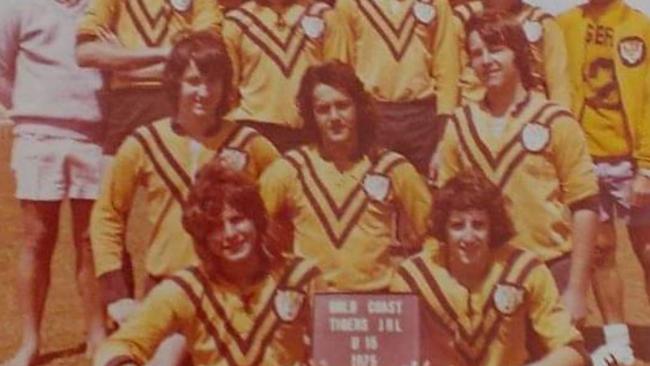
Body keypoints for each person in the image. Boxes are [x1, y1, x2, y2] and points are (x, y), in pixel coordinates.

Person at [90, 32, 279, 336]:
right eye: (193, 81)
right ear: (175, 82)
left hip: (232, 290)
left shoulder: (249, 143)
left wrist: (278, 270)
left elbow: (289, 206)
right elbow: (107, 215)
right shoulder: (144, 141)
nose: (204, 92)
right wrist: (116, 292)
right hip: (165, 285)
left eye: (213, 81)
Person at [434, 12, 599, 325]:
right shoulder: (460, 124)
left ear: (520, 53)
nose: (486, 61)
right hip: (483, 271)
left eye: (496, 49)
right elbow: (445, 209)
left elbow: (585, 205)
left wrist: (577, 289)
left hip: (549, 266)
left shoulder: (556, 121)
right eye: (477, 53)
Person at [93, 160, 320, 366]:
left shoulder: (300, 277)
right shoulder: (187, 289)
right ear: (203, 238)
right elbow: (116, 346)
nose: (229, 234)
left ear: (257, 220)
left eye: (237, 220)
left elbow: (338, 343)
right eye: (215, 227)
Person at [260, 61, 432, 291]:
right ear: (311, 115)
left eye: (342, 105)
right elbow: (254, 227)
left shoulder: (392, 167)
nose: (334, 117)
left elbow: (433, 234)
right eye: (323, 109)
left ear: (359, 108)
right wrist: (283, 273)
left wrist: (409, 279)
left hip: (376, 303)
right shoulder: (290, 169)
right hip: (313, 306)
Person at [391, 170, 589, 366]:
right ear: (443, 229)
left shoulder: (524, 269)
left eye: (478, 225)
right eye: (457, 226)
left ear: (493, 227)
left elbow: (572, 351)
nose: (468, 237)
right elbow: (393, 353)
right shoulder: (413, 278)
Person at [0, 0, 106, 364]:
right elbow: (2, 71)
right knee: (37, 239)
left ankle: (96, 335)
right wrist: (36, 108)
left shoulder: (104, 6)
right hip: (37, 137)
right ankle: (30, 342)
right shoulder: (15, 6)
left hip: (95, 137)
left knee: (92, 241)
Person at [557, 1, 650, 364]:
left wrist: (646, 165)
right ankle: (618, 340)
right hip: (585, 158)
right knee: (600, 248)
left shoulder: (638, 25)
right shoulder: (564, 24)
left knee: (646, 248)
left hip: (631, 159)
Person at [75, 0, 222, 155]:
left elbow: (204, 61)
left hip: (179, 103)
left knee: (179, 174)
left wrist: (127, 70)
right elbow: (85, 53)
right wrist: (168, 53)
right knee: (117, 175)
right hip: (127, 108)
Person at [334, 0, 459, 173]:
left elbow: (447, 69)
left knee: (426, 191)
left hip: (423, 117)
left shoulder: (436, 3)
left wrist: (443, 135)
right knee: (374, 188)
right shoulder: (349, 5)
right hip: (373, 114)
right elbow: (340, 70)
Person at [222, 0, 347, 152]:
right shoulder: (236, 22)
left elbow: (340, 82)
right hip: (254, 127)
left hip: (312, 130)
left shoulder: (325, 16)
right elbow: (229, 93)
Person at [451, 0, 571, 107]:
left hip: (529, 113)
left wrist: (558, 122)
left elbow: (559, 87)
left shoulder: (543, 22)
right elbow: (448, 80)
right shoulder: (461, 19)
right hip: (474, 108)